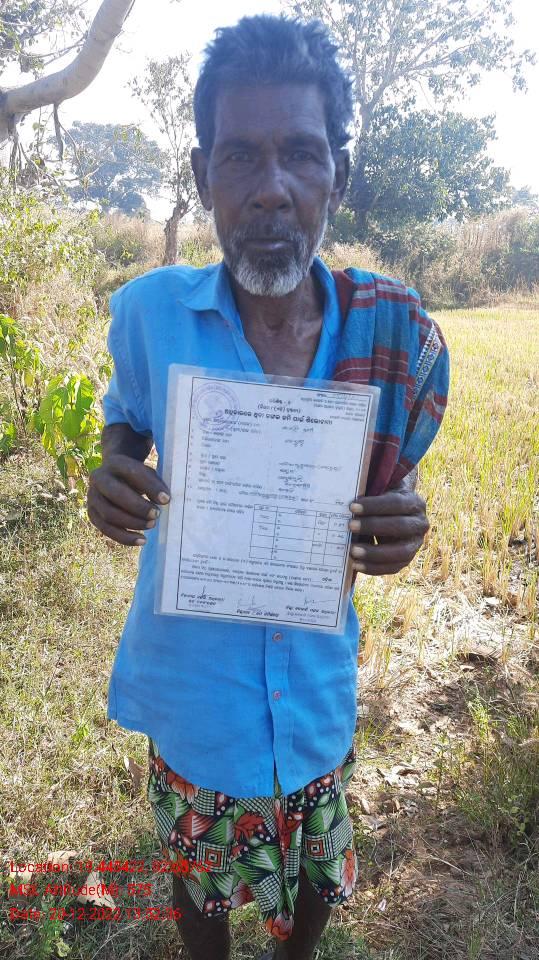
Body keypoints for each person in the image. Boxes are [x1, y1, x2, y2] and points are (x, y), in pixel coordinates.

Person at [87, 14, 449, 960]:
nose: (271, 188)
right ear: (202, 173)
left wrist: (405, 524)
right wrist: (111, 471)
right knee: (200, 886)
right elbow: (126, 420)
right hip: (194, 694)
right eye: (240, 156)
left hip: (316, 686)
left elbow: (391, 486)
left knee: (317, 870)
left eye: (301, 153)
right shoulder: (149, 313)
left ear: (339, 174)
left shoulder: (385, 332)